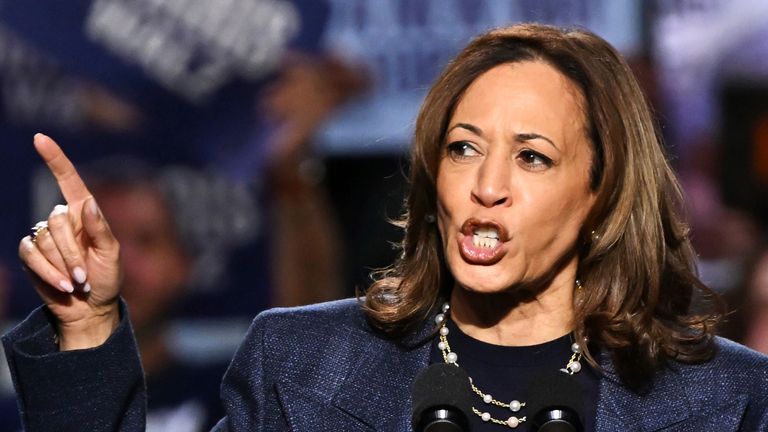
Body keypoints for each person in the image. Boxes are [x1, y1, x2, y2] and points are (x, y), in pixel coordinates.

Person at [4, 23, 768, 431]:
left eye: (532, 158)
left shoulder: (726, 399)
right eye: (463, 147)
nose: (487, 186)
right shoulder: (301, 368)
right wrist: (86, 323)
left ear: (600, 195)